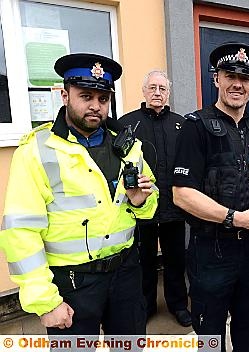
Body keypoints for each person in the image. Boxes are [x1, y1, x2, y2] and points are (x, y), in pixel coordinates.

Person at [0, 54, 158, 338]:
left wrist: (141, 201)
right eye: (86, 96)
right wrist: (45, 301)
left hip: (125, 274)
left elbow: (151, 198)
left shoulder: (128, 144)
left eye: (103, 98)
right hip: (71, 284)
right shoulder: (37, 150)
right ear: (65, 95)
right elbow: (20, 231)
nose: (95, 106)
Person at [172, 42, 249, 352]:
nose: (237, 83)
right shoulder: (195, 127)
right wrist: (235, 218)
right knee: (210, 339)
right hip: (212, 251)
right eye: (230, 75)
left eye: (246, 77)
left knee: (248, 335)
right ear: (216, 79)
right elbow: (182, 194)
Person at [118, 70, 191, 327]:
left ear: (168, 92)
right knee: (144, 261)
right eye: (152, 87)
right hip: (141, 209)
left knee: (175, 261)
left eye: (162, 88)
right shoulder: (127, 123)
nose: (157, 92)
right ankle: (146, 306)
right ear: (144, 91)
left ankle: (179, 305)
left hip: (173, 208)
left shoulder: (182, 124)